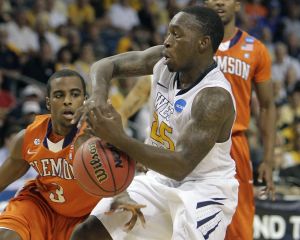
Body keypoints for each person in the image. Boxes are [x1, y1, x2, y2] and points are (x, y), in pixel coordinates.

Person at [71, 6, 239, 240]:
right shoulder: (163, 60)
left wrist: (118, 138)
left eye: (176, 34)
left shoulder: (213, 97)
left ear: (203, 43)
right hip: (158, 179)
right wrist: (98, 97)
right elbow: (104, 65)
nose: (167, 41)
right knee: (88, 233)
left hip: (203, 191)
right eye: (168, 32)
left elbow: (181, 165)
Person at [204, 1, 276, 239]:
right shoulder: (192, 44)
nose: (218, 1)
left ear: (237, 4)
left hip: (235, 145)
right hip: (195, 141)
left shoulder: (255, 49)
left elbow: (266, 107)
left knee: (239, 226)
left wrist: (267, 159)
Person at [0, 69, 101, 240]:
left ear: (84, 100)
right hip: (41, 206)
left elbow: (119, 178)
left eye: (75, 94)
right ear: (48, 102)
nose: (67, 101)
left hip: (85, 216)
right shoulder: (28, 138)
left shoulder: (97, 136)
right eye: (59, 95)